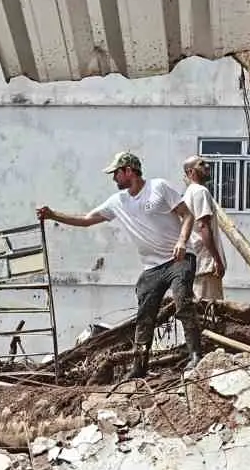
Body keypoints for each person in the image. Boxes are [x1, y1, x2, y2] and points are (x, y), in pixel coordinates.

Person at [36, 151, 204, 378]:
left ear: (129, 171)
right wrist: (53, 215)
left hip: (179, 259)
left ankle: (196, 355)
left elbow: (187, 215)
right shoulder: (118, 202)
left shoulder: (159, 188)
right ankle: (140, 367)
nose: (114, 178)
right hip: (152, 268)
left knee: (182, 301)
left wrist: (183, 242)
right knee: (145, 315)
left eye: (116, 173)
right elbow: (86, 220)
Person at [179, 155, 227, 301]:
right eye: (201, 164)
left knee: (199, 311)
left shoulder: (188, 193)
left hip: (195, 263)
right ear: (191, 172)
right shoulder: (200, 191)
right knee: (209, 312)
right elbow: (203, 226)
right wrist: (217, 260)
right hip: (205, 264)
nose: (207, 166)